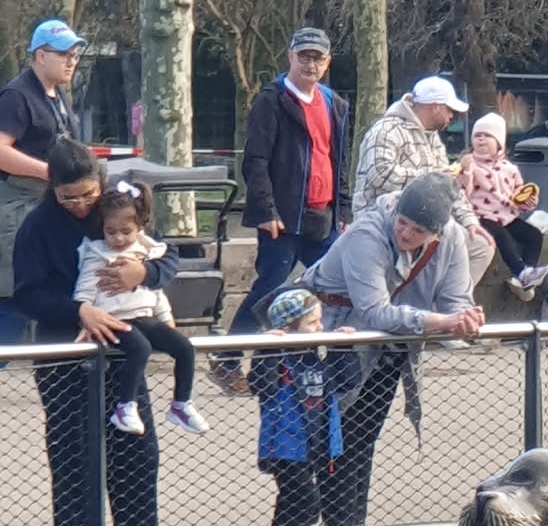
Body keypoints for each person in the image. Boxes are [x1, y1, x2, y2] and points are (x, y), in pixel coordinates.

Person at [12, 140, 174, 526]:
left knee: (136, 456)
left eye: (88, 195)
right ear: (52, 189)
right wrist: (79, 311)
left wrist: (144, 274)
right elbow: (27, 294)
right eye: (68, 198)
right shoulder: (38, 227)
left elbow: (169, 257)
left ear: (100, 183)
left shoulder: (117, 207)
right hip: (65, 357)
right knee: (74, 462)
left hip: (122, 352)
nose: (81, 205)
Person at [301, 171, 484, 526]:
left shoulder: (452, 239)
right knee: (329, 442)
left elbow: (456, 301)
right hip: (335, 339)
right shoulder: (367, 233)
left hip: (389, 346)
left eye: (418, 231)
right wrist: (443, 322)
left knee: (362, 440)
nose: (406, 234)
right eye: (402, 223)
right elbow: (373, 311)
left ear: (437, 233)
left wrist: (466, 319)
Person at [216, 27, 350, 386]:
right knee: (269, 289)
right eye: (303, 56)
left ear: (327, 62)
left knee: (339, 286)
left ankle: (335, 364)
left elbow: (339, 159)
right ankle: (227, 358)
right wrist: (266, 210)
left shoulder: (334, 104)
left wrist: (344, 211)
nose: (310, 64)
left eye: (317, 58)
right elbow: (255, 161)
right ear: (290, 56)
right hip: (284, 218)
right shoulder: (272, 100)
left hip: (323, 217)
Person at [75, 178, 208, 436]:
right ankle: (125, 406)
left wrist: (166, 317)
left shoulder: (147, 251)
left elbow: (155, 290)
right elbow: (85, 288)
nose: (118, 238)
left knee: (185, 347)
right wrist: (85, 314)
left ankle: (181, 403)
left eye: (125, 231)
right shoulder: (97, 253)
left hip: (145, 317)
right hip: (113, 319)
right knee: (140, 348)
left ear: (139, 227)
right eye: (111, 231)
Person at [351, 75, 491, 289]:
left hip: (425, 221)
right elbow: (379, 176)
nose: (452, 116)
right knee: (436, 239)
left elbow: (446, 184)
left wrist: (470, 221)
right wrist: (429, 177)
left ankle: (448, 301)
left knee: (480, 246)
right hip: (385, 221)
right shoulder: (386, 130)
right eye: (450, 110)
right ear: (435, 107)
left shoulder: (432, 137)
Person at [249, 287, 362, 526]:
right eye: (312, 323)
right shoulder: (279, 357)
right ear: (288, 329)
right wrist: (267, 349)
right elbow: (262, 384)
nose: (320, 327)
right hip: (286, 445)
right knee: (303, 501)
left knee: (314, 501)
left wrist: (344, 348)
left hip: (321, 439)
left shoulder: (318, 354)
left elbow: (348, 382)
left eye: (320, 321)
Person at [0, 19, 84, 345]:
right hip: (18, 207)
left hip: (46, 206)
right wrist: (52, 172)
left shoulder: (60, 95)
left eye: (74, 55)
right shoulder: (17, 96)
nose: (71, 61)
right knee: (13, 297)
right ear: (40, 56)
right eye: (63, 54)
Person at [457, 113, 548, 299]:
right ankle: (522, 272)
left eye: (487, 135)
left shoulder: (510, 168)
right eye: (477, 135)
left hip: (507, 215)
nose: (481, 139)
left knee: (534, 236)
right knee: (502, 236)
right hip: (481, 216)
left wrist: (527, 202)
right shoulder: (470, 165)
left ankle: (525, 275)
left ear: (499, 142)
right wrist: (466, 172)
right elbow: (462, 192)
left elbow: (518, 195)